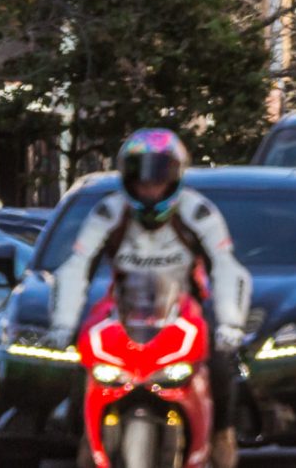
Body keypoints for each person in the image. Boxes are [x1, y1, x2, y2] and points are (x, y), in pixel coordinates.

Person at [48, 130, 250, 468]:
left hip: (186, 308)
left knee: (220, 362)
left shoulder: (199, 212)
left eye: (158, 180)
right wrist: (63, 323)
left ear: (175, 178)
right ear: (127, 179)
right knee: (85, 361)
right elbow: (75, 267)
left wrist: (230, 323)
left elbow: (227, 268)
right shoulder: (107, 213)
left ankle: (221, 433)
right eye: (141, 181)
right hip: (123, 310)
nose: (150, 189)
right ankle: (85, 438)